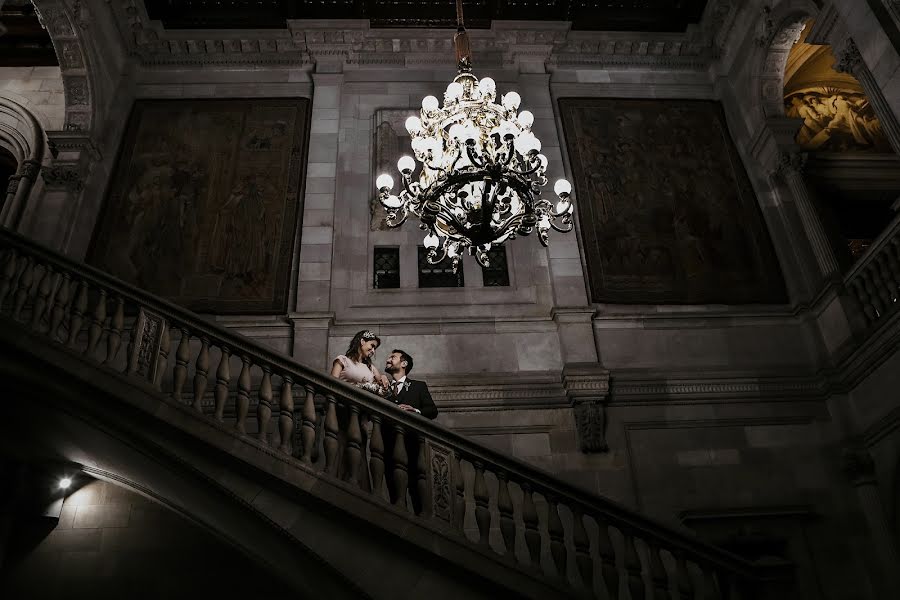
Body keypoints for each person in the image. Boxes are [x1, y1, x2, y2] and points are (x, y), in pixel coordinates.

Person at [382, 349, 438, 514]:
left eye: (393, 357)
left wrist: (416, 410)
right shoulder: (382, 388)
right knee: (394, 492)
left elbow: (432, 411)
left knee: (416, 489)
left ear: (404, 363)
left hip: (412, 445)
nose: (388, 359)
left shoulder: (418, 386)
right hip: (387, 446)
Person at [330, 330, 390, 395]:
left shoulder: (370, 367)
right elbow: (332, 385)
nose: (373, 351)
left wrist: (383, 376)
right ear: (362, 342)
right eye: (372, 346)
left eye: (374, 348)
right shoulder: (342, 360)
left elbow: (383, 385)